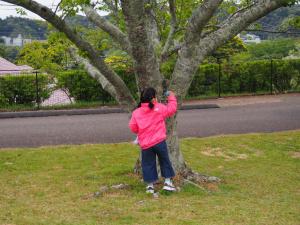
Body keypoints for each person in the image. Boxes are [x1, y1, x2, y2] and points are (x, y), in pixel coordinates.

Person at [129, 87, 177, 194]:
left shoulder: (136, 112)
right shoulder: (159, 108)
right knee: (164, 161)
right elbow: (171, 109)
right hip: (159, 141)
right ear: (154, 98)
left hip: (146, 145)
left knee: (148, 164)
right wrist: (171, 96)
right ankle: (168, 182)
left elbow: (133, 127)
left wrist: (140, 130)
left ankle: (150, 186)